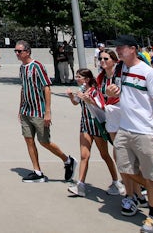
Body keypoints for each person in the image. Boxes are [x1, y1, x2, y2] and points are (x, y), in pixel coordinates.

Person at [104, 35, 153, 233]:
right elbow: (116, 92)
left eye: (121, 47)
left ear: (133, 49)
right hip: (125, 128)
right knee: (125, 169)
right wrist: (112, 91)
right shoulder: (121, 69)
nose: (118, 51)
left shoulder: (147, 72)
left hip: (145, 130)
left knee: (151, 174)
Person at [14, 40, 76, 183]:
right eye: (15, 51)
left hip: (39, 111)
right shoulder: (22, 68)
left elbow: (47, 88)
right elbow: (23, 89)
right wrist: (20, 108)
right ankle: (37, 171)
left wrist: (47, 112)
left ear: (27, 52)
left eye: (19, 51)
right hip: (26, 111)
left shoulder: (37, 67)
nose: (17, 54)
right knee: (29, 140)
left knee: (44, 141)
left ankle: (67, 160)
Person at [66, 68, 121, 198]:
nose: (77, 78)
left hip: (96, 125)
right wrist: (71, 96)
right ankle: (80, 185)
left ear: (87, 79)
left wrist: (88, 99)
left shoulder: (94, 92)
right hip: (85, 124)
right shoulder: (81, 91)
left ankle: (116, 182)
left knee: (104, 154)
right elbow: (76, 102)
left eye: (79, 76)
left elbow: (101, 106)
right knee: (84, 155)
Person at [96, 49, 127, 196]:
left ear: (114, 60)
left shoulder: (121, 75)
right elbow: (99, 96)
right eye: (100, 59)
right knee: (118, 151)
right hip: (110, 115)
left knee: (128, 150)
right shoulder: (101, 78)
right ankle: (125, 181)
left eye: (106, 59)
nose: (102, 61)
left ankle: (140, 183)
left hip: (124, 114)